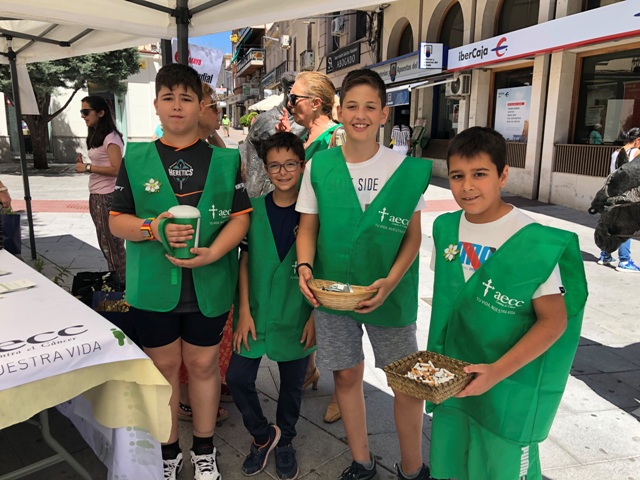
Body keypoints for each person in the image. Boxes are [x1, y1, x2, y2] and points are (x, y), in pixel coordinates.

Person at [109, 63, 251, 480]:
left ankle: (204, 450)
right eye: (168, 97)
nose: (176, 105)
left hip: (210, 284)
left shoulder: (225, 160)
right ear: (155, 105)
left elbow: (240, 218)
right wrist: (152, 228)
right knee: (164, 368)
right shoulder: (136, 158)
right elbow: (117, 220)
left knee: (204, 367)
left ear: (200, 106)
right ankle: (168, 453)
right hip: (153, 287)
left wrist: (214, 253)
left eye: (186, 98)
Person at [426, 126, 588, 480]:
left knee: (501, 468)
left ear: (503, 175)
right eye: (457, 176)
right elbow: (453, 299)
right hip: (454, 380)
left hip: (508, 386)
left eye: (480, 174)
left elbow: (554, 321)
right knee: (453, 463)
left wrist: (497, 371)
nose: (467, 186)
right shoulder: (445, 229)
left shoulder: (532, 241)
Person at [296, 69, 432, 480]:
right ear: (339, 111)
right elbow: (308, 227)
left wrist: (390, 282)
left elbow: (413, 236)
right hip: (332, 290)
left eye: (370, 106)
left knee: (406, 382)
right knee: (345, 373)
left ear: (384, 113)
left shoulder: (404, 169)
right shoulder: (319, 166)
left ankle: (413, 468)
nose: (360, 115)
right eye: (352, 106)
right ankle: (361, 461)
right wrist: (304, 267)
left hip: (391, 291)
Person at [226, 132, 315, 480]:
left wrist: (315, 317)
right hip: (257, 311)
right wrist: (243, 312)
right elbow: (245, 261)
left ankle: (286, 440)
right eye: (275, 165)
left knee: (292, 385)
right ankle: (263, 435)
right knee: (237, 377)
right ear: (265, 168)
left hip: (297, 312)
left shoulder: (313, 212)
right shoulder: (254, 209)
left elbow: (323, 267)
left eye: (290, 164)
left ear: (302, 166)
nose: (282, 172)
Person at [177, 82, 233, 425]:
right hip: (179, 267)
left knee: (212, 339)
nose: (219, 113)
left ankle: (209, 383)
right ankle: (186, 399)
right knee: (185, 340)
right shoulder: (172, 155)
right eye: (215, 107)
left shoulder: (216, 149)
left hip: (216, 261)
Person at [76, 95, 126, 285]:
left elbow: (117, 169)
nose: (83, 116)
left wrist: (88, 168)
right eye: (81, 112)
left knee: (112, 247)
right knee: (108, 246)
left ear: (101, 113)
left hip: (107, 197)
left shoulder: (111, 137)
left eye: (86, 111)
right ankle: (119, 283)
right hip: (97, 195)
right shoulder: (98, 135)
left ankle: (122, 286)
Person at [597, 127, 640, 272]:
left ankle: (605, 255)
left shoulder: (616, 153)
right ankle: (624, 261)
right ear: (638, 140)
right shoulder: (635, 152)